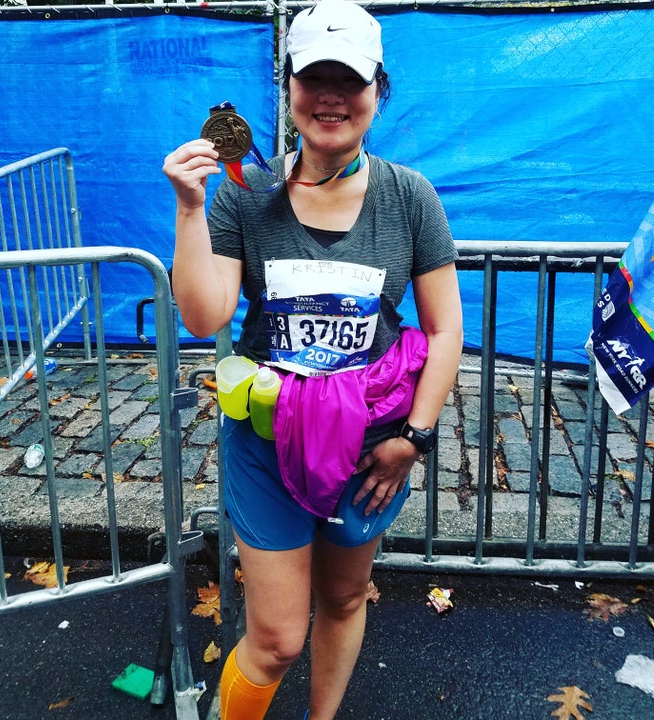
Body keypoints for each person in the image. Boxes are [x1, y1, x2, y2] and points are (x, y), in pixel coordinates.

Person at [162, 0, 463, 717]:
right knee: (274, 639)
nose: (331, 98)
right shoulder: (245, 192)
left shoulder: (410, 198)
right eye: (313, 77)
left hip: (369, 448)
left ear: (377, 92)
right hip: (268, 440)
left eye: (350, 80)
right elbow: (206, 318)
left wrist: (411, 439)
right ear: (288, 86)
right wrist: (190, 207)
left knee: (343, 597)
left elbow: (446, 331)